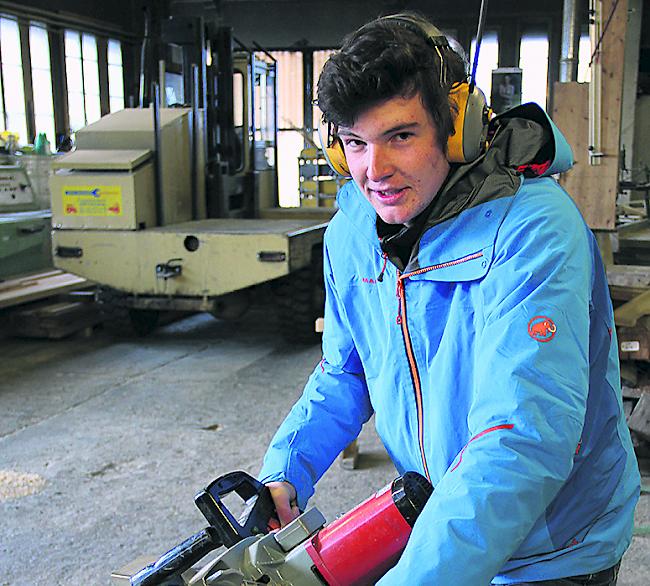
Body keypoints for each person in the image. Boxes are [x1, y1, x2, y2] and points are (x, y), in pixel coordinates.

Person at [259, 12, 640, 585]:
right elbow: (348, 368)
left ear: (455, 125)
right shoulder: (354, 229)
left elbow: (523, 437)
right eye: (355, 143)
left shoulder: (533, 229)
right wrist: (288, 469)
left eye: (401, 136)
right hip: (442, 523)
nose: (374, 171)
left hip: (553, 549)